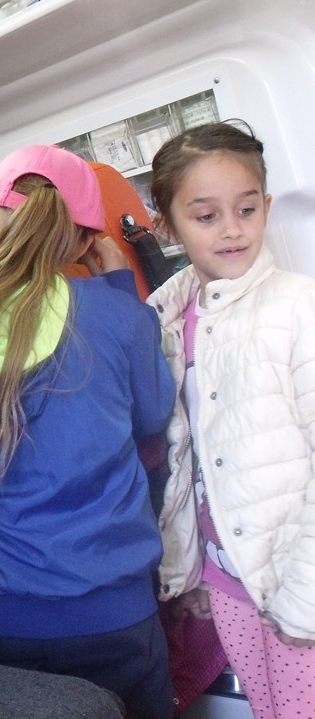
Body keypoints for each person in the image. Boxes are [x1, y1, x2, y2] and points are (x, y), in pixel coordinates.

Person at [0, 144, 177, 719]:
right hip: (112, 611)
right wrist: (116, 285)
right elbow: (154, 416)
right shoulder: (119, 318)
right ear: (84, 243)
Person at [148, 120, 315, 719]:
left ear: (266, 207)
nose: (232, 229)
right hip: (227, 582)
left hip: (296, 581)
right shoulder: (168, 321)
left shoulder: (298, 306)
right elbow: (189, 458)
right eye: (206, 215)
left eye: (246, 209)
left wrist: (305, 597)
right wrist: (193, 570)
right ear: (167, 227)